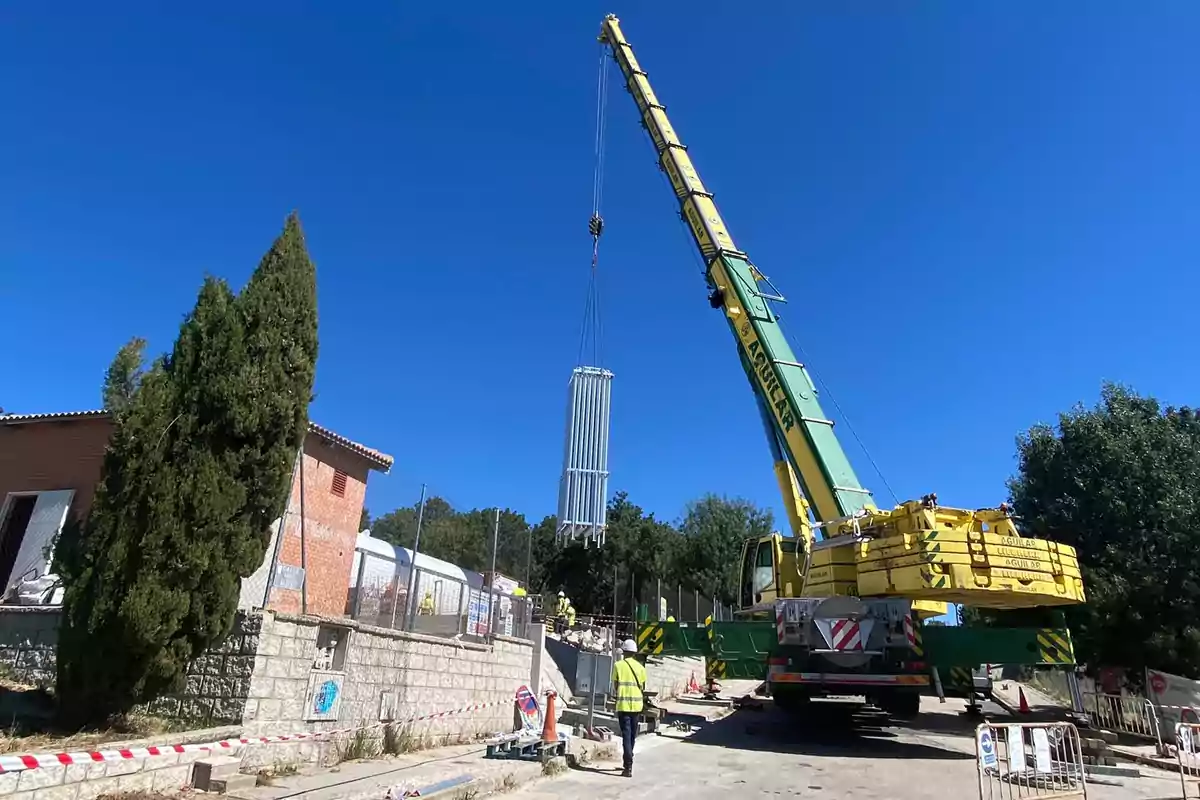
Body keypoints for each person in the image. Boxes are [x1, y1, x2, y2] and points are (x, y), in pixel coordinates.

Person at [611, 638, 647, 778]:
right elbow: (642, 687)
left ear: (624, 652)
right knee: (632, 735)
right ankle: (629, 759)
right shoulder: (641, 668)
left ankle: (628, 765)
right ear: (634, 653)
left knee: (626, 734)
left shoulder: (618, 666)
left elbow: (615, 685)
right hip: (637, 706)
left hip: (623, 705)